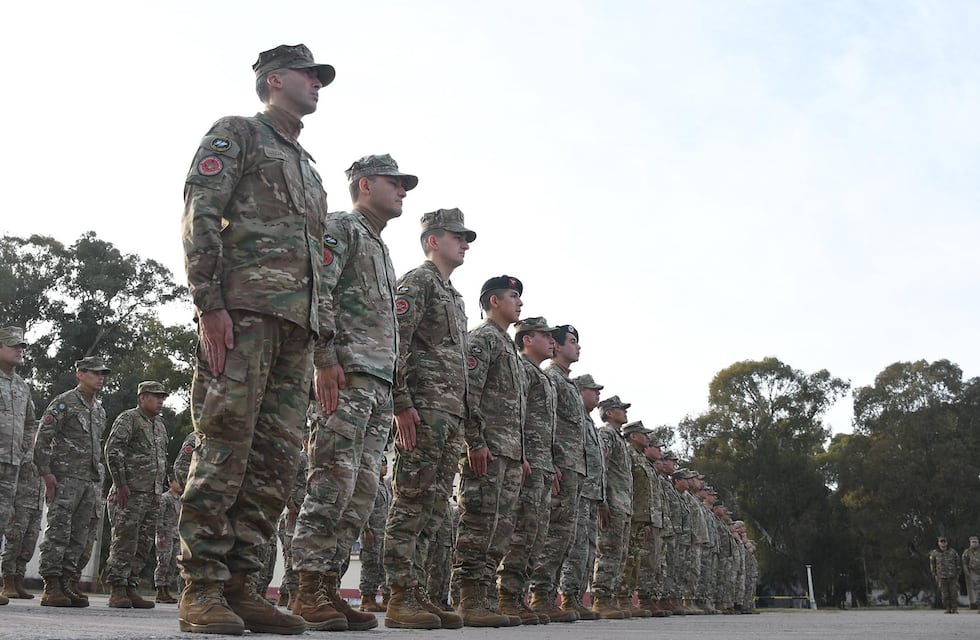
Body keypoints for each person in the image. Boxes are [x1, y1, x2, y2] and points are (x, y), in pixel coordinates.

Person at [178, 42, 335, 636]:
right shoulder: (237, 133)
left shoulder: (309, 166)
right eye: (308, 74)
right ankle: (203, 589)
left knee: (273, 464)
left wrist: (322, 344)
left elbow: (318, 259)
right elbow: (201, 211)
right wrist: (209, 303)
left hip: (297, 328)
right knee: (223, 446)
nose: (317, 84)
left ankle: (244, 587)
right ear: (274, 80)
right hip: (241, 315)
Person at [291, 153, 415, 633]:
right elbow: (317, 289)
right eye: (395, 183)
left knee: (362, 491)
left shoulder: (381, 248)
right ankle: (306, 590)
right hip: (345, 377)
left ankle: (328, 586)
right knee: (331, 482)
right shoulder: (341, 227)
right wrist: (324, 358)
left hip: (378, 385)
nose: (402, 191)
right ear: (365, 184)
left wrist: (397, 395)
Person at [382, 207, 475, 630]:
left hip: (449, 416)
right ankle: (400, 595)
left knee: (435, 509)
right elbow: (395, 339)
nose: (465, 243)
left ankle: (417, 591)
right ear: (433, 240)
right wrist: (401, 402)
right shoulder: (418, 282)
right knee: (411, 503)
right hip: (421, 411)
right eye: (458, 236)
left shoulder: (454, 297)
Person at [452, 275, 528, 627]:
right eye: (514, 296)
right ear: (494, 301)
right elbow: (470, 392)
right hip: (488, 449)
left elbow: (516, 409)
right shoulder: (482, 340)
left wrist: (523, 454)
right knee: (479, 523)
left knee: (500, 529)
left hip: (510, 453)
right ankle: (468, 597)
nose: (520, 303)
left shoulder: (508, 348)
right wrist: (475, 442)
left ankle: (485, 595)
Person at [497, 317, 561, 625]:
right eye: (545, 336)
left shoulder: (541, 376)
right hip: (525, 462)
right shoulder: (523, 370)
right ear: (527, 339)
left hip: (542, 464)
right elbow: (515, 414)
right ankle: (506, 596)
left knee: (535, 533)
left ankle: (517, 596)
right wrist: (522, 454)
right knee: (520, 531)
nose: (552, 341)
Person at [34, 355, 109, 607]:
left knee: (80, 534)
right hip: (65, 478)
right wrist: (46, 473)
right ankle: (51, 584)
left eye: (102, 374)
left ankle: (69, 581)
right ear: (80, 374)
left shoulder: (99, 409)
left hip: (88, 480)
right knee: (59, 531)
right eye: (95, 373)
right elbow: (43, 438)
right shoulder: (64, 403)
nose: (100, 377)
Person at [529, 325, 587, 620]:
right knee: (552, 534)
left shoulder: (567, 383)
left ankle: (550, 596)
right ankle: (540, 594)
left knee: (564, 535)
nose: (578, 347)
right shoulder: (552, 378)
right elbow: (544, 422)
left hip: (571, 466)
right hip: (558, 465)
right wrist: (551, 461)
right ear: (558, 345)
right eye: (573, 341)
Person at [104, 381, 170, 609]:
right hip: (129, 493)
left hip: (151, 495)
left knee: (143, 544)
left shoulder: (159, 425)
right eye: (155, 396)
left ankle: (131, 585)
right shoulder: (129, 419)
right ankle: (117, 588)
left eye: (163, 397)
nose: (161, 400)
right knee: (124, 541)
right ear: (142, 398)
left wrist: (158, 491)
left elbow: (160, 460)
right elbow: (113, 451)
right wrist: (121, 484)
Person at [558, 374, 605, 620]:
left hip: (591, 493)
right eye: (593, 390)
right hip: (577, 486)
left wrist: (602, 498)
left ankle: (574, 597)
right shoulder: (580, 419)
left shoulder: (589, 424)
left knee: (586, 548)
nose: (597, 394)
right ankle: (565, 596)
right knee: (573, 544)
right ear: (580, 391)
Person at [589, 396, 635, 618]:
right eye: (620, 409)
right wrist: (602, 501)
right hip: (613, 503)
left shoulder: (617, 438)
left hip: (623, 504)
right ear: (608, 413)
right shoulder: (606, 434)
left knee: (619, 554)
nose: (624, 412)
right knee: (608, 552)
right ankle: (601, 599)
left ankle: (610, 598)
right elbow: (601, 466)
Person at [0, 326, 36, 605]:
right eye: (14, 345)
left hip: (11, 464)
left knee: (2, 524)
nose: (20, 349)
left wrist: (24, 450)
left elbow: (29, 423)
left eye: (22, 345)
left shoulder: (22, 386)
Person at [359, 456, 392, 613]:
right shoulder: (369, 484)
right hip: (371, 531)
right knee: (370, 563)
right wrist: (366, 529)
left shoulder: (384, 486)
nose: (386, 468)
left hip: (383, 532)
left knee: (380, 565)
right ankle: (366, 598)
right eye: (383, 466)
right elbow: (364, 508)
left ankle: (374, 597)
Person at [155, 477, 182, 604]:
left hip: (176, 534)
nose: (179, 484)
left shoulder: (180, 499)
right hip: (166, 533)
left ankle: (167, 588)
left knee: (173, 562)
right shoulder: (165, 498)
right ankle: (160, 589)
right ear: (170, 483)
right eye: (176, 481)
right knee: (163, 561)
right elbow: (159, 516)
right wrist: (160, 534)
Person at [930, 536, 961, 613]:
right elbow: (932, 565)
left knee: (953, 593)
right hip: (941, 577)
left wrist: (957, 574)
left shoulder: (953, 552)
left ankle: (954, 609)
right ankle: (948, 608)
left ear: (947, 543)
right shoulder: (934, 553)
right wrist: (935, 575)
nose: (943, 544)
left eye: (944, 542)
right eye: (941, 542)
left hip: (952, 576)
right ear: (938, 543)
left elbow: (958, 564)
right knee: (944, 595)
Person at [963, 536, 980, 610]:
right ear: (970, 543)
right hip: (973, 573)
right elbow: (964, 563)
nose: (974, 543)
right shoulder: (967, 552)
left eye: (975, 542)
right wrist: (967, 573)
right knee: (977, 589)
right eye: (972, 542)